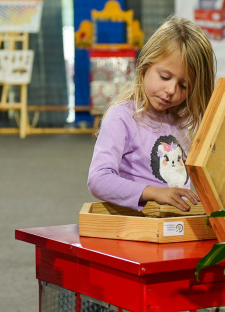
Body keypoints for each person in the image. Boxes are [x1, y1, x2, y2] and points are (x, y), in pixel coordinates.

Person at [88, 17, 216, 212]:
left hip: (175, 225)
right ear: (145, 65)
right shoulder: (122, 116)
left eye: (183, 86)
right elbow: (98, 179)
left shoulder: (180, 123)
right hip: (139, 227)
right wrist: (154, 192)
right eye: (165, 77)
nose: (171, 90)